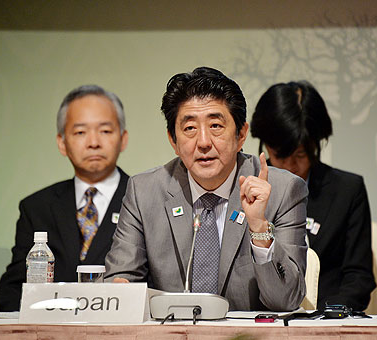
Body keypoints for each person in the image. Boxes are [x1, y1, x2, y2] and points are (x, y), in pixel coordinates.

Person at [105, 67, 308, 311]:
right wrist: (119, 289)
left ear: (241, 134)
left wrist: (259, 229)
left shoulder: (283, 190)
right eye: (190, 128)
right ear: (173, 140)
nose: (203, 142)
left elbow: (286, 301)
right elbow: (119, 284)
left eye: (216, 126)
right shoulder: (144, 192)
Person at [0, 85, 129, 312]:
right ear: (62, 143)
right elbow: (13, 292)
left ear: (123, 139)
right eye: (80, 132)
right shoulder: (37, 208)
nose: (93, 142)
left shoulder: (146, 200)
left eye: (105, 131)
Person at [250, 80, 376, 311]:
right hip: (260, 318)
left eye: (300, 154)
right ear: (265, 144)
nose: (290, 165)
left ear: (317, 143)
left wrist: (324, 319)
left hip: (324, 318)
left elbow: (358, 278)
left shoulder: (347, 190)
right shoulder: (248, 189)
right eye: (280, 155)